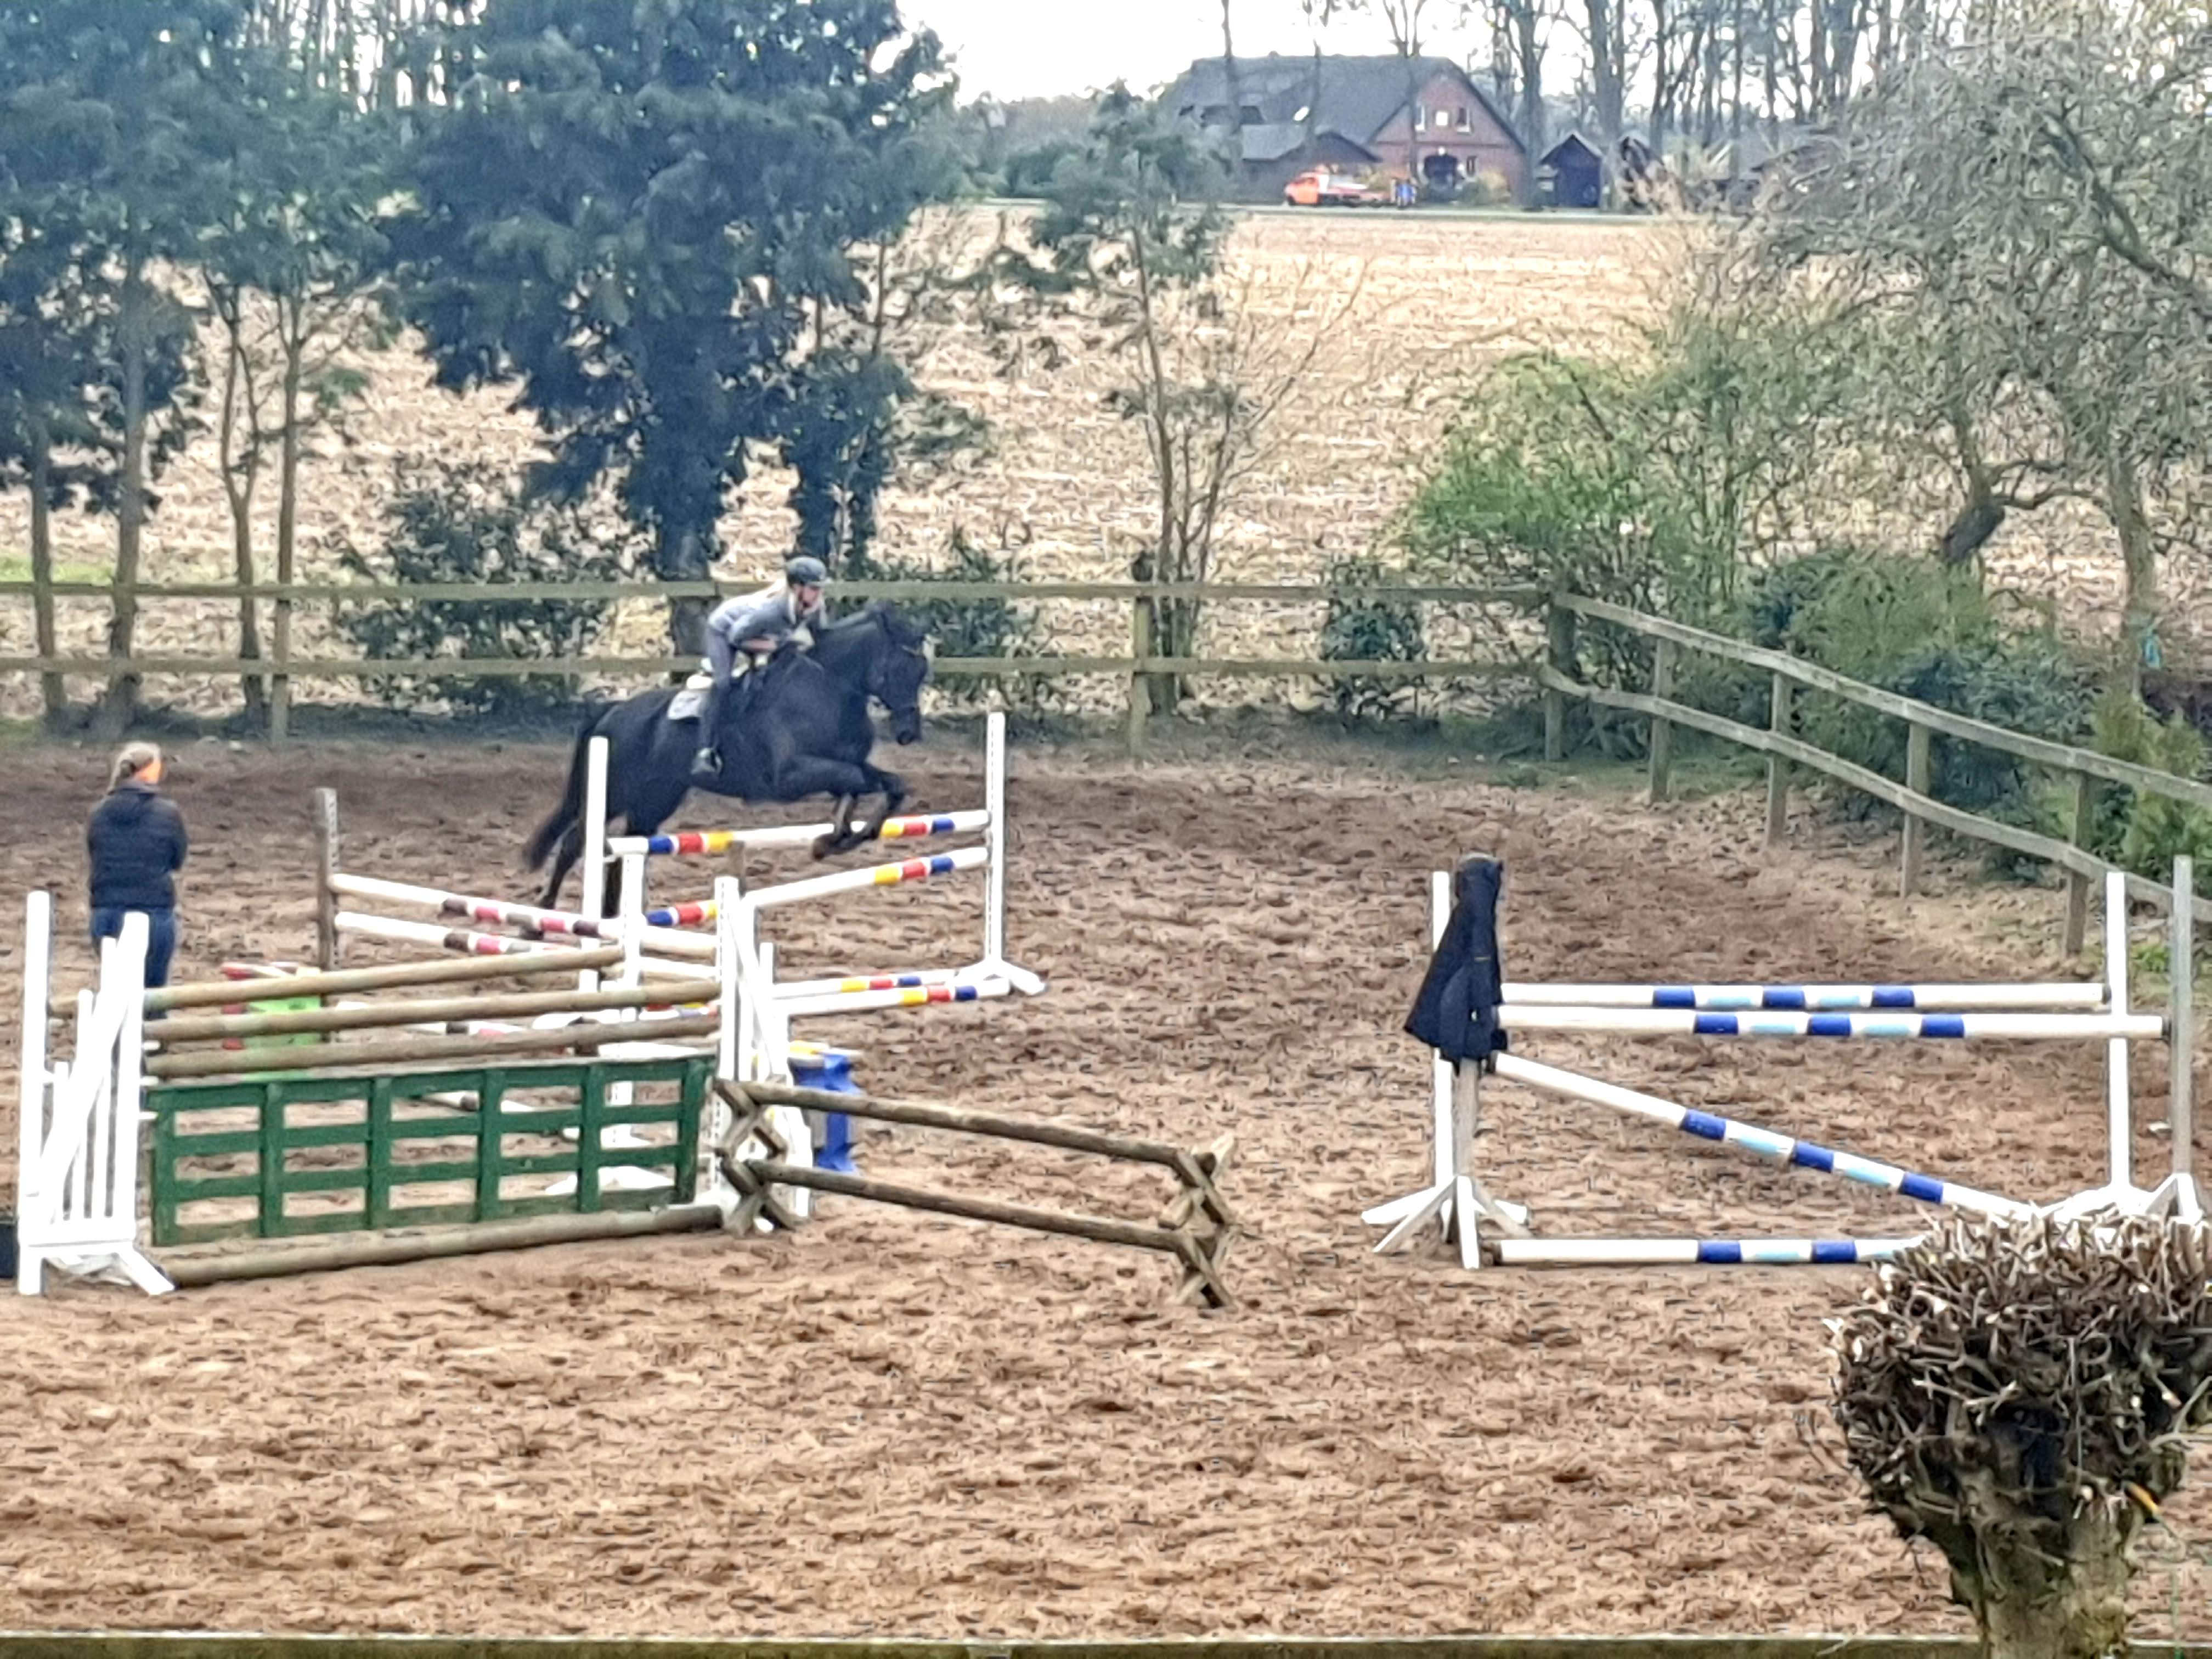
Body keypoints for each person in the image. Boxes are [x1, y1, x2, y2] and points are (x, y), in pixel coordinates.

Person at [692, 555, 831, 780]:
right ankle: (705, 752)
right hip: (725, 631)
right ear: (797, 588)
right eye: (814, 588)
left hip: (762, 634)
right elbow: (736, 637)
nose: (819, 593)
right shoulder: (771, 612)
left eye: (821, 588)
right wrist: (771, 646)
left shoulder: (815, 605)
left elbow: (822, 638)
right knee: (724, 684)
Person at [87, 741, 188, 991]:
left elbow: (95, 854)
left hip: (107, 909)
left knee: (115, 991)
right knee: (153, 992)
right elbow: (177, 860)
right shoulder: (168, 813)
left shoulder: (98, 814)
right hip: (155, 909)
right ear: (150, 771)